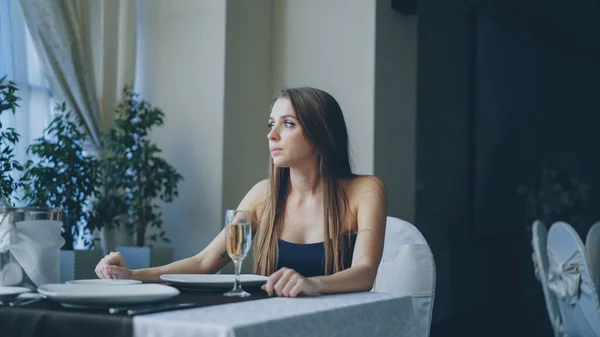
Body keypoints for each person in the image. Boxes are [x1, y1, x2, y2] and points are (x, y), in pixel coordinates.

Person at [95, 87, 387, 298]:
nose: (272, 135)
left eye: (288, 124)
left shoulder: (364, 191)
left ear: (322, 133)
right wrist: (132, 275)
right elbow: (203, 263)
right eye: (271, 124)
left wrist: (315, 284)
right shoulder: (263, 196)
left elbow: (365, 271)